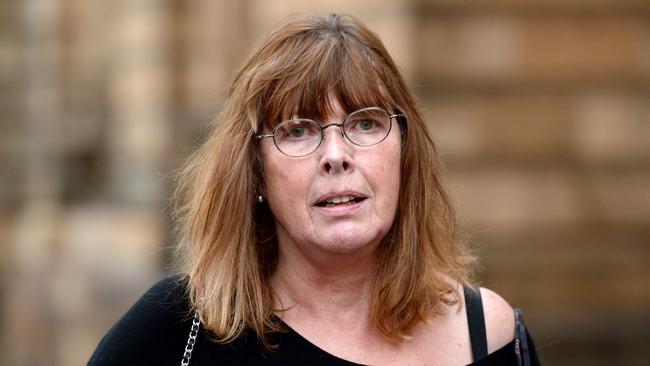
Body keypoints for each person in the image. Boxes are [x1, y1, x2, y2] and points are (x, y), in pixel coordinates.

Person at [88, 13, 540, 366]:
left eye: (365, 123)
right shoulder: (178, 331)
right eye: (298, 130)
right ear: (256, 173)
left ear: (405, 153)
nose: (336, 154)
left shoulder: (487, 337)